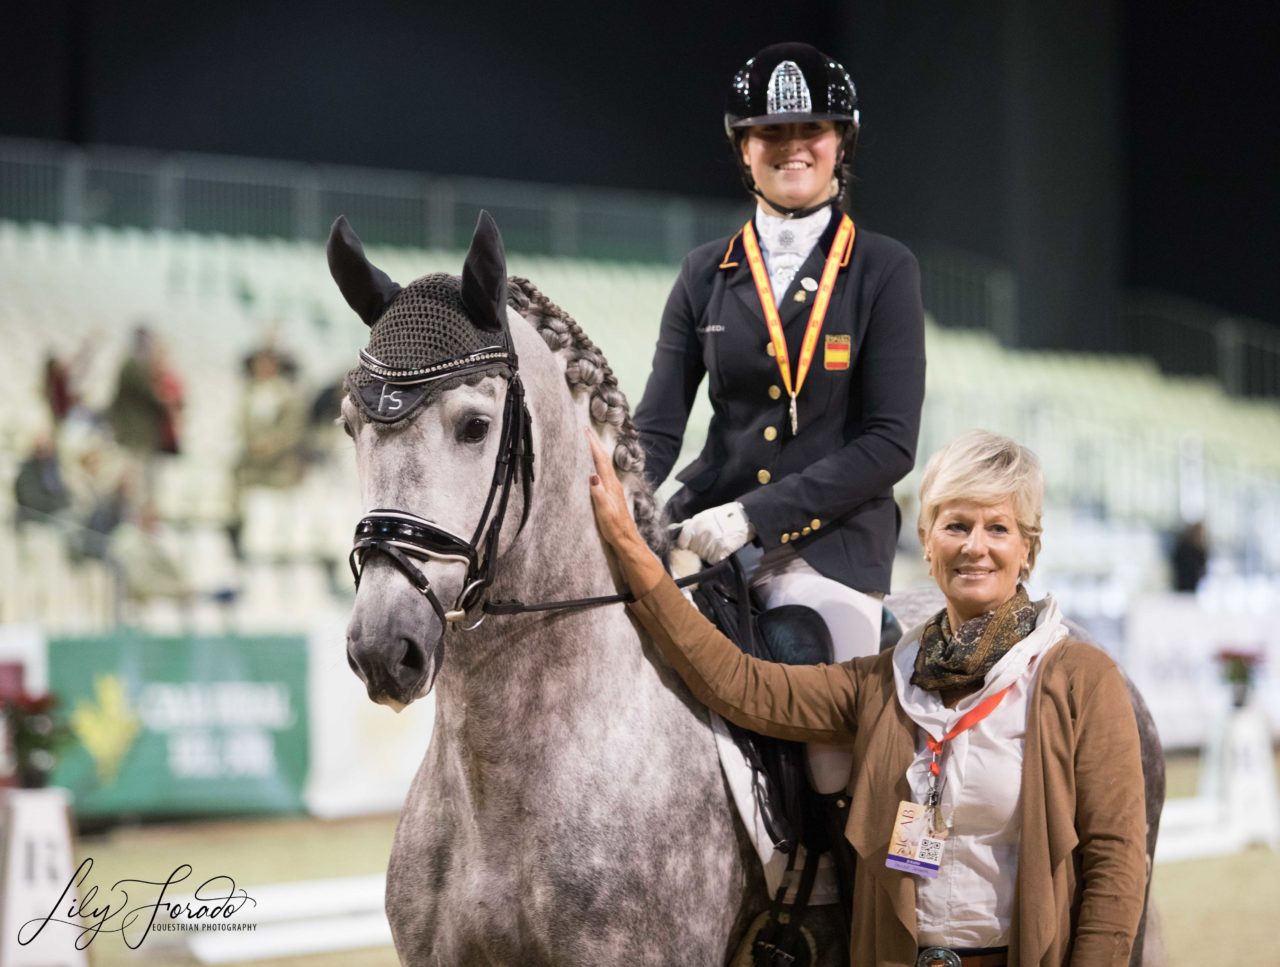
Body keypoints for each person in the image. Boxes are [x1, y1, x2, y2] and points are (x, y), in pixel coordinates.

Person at [587, 429, 1147, 967]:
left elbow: (1116, 866)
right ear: (928, 544)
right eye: (956, 525)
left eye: (997, 528)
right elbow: (741, 685)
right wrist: (634, 552)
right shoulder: (884, 681)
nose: (975, 547)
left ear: (1028, 549)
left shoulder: (1081, 680)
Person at [633, 42, 926, 793]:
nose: (793, 148)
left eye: (813, 132)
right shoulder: (706, 272)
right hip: (701, 535)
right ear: (744, 147)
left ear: (841, 143)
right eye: (770, 134)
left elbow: (890, 443)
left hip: (829, 547)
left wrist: (754, 515)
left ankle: (834, 887)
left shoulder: (883, 269)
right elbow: (658, 427)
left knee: (824, 727)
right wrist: (612, 495)